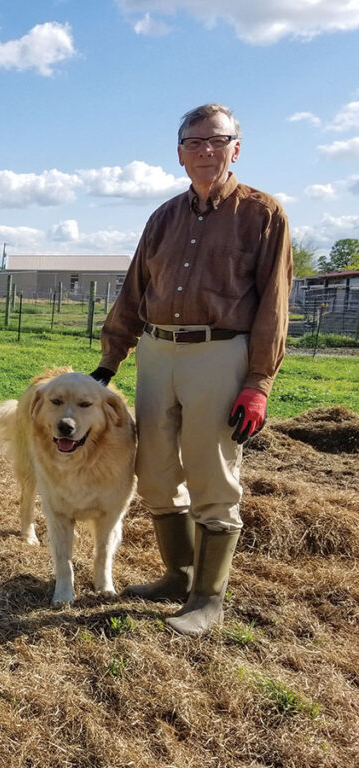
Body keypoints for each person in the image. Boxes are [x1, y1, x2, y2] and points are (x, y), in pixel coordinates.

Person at [91, 104, 292, 636]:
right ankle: (177, 575)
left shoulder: (263, 215)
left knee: (211, 471)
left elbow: (273, 303)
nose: (205, 150)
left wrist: (258, 384)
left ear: (236, 148)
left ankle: (208, 598)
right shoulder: (163, 218)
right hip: (159, 351)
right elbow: (135, 293)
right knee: (153, 470)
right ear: (179, 153)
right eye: (194, 142)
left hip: (220, 352)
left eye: (216, 140)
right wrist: (109, 361)